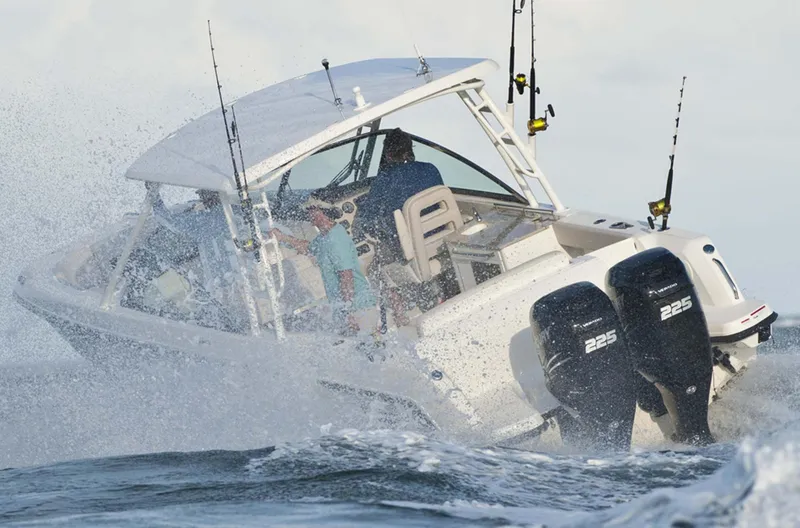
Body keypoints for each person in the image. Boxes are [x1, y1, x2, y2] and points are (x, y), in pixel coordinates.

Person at [353, 128, 445, 325]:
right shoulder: (430, 169)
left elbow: (368, 219)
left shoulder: (385, 180)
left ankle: (400, 318)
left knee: (376, 264)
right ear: (410, 149)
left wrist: (363, 207)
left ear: (387, 154)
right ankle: (434, 296)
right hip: (441, 238)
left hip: (411, 250)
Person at [270, 200, 377, 336]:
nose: (308, 212)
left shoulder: (335, 240)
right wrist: (283, 237)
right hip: (344, 307)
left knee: (368, 349)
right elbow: (307, 248)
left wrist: (348, 312)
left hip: (359, 308)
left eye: (312, 209)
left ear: (323, 213)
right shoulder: (324, 237)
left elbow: (346, 276)